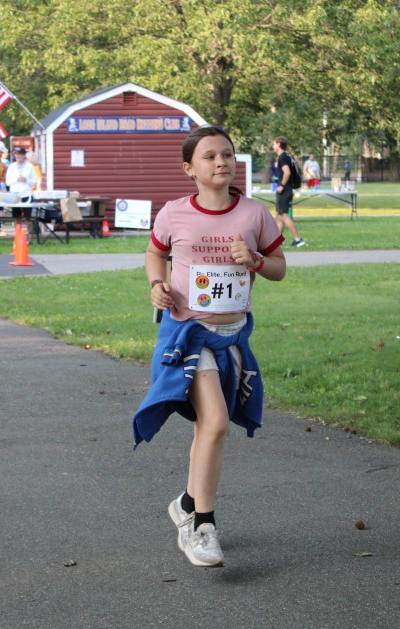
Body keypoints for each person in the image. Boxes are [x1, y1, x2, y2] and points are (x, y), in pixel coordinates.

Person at [134, 125, 287, 568]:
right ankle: (202, 526)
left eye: (227, 154)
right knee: (216, 422)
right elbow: (154, 253)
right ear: (189, 168)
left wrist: (256, 260)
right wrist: (157, 284)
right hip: (188, 335)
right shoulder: (174, 213)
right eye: (210, 156)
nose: (221, 162)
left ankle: (186, 502)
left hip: (233, 337)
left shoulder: (254, 214)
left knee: (209, 428)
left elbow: (279, 268)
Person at [272, 136, 306, 247]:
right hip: (287, 190)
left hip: (284, 190)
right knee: (279, 216)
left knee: (284, 215)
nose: (273, 146)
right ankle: (277, 242)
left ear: (278, 144)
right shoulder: (286, 157)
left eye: (274, 143)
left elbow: (287, 172)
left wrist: (281, 186)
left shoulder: (282, 157)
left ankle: (298, 239)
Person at [5, 147, 38, 220]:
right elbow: (7, 182)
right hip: (15, 194)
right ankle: (18, 227)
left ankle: (29, 227)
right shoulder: (11, 166)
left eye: (20, 154)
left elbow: (35, 182)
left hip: (26, 193)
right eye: (17, 154)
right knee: (16, 217)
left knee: (28, 217)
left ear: (24, 156)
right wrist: (16, 180)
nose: (18, 156)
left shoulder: (30, 166)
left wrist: (26, 180)